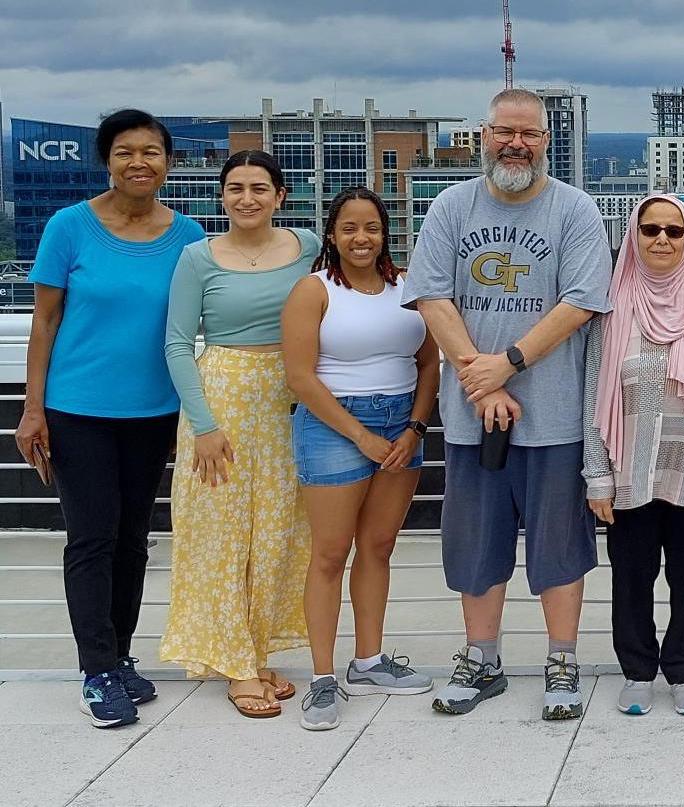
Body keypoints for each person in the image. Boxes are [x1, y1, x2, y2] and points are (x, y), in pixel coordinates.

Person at [403, 88, 612, 720]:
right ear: (484, 135)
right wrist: (483, 380)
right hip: (472, 418)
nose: (516, 144)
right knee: (475, 545)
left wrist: (510, 363)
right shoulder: (449, 207)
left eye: (529, 134)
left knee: (559, 546)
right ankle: (482, 659)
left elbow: (579, 303)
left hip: (553, 417)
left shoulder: (574, 210)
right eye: (504, 132)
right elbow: (432, 298)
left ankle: (562, 661)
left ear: (547, 141)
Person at [15, 110, 206, 728]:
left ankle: (120, 657)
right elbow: (44, 322)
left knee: (132, 541)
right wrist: (32, 409)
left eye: (151, 152)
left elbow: (202, 321)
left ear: (168, 163)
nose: (138, 163)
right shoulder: (69, 228)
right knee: (91, 539)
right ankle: (96, 670)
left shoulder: (189, 237)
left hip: (154, 412)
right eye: (125, 152)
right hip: (77, 411)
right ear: (107, 161)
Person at [158, 150, 320, 718]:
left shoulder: (306, 248)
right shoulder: (197, 257)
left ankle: (254, 648)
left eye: (258, 187)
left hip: (289, 398)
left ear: (280, 196)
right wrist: (204, 425)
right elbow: (178, 342)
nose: (246, 198)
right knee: (221, 530)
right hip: (222, 394)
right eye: (235, 188)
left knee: (278, 526)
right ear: (221, 196)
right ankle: (233, 664)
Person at [282, 187, 439, 731]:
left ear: (385, 232)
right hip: (333, 425)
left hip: (402, 424)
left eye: (370, 227)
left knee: (378, 547)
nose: (361, 238)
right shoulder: (313, 290)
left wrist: (416, 427)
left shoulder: (408, 288)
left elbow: (428, 361)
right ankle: (323, 679)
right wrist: (362, 436)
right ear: (331, 234)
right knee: (329, 554)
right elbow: (301, 377)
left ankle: (368, 661)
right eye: (348, 228)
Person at [583, 195, 684, 717]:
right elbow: (593, 393)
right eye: (650, 229)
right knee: (630, 575)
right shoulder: (610, 311)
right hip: (629, 467)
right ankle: (636, 671)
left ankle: (683, 670)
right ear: (634, 235)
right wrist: (597, 474)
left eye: (674, 231)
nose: (661, 240)